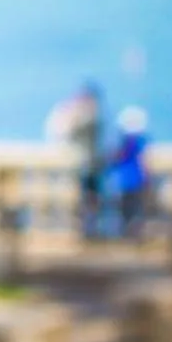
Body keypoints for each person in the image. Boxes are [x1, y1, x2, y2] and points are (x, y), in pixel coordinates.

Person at [49, 82, 105, 239]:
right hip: (87, 165)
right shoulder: (92, 116)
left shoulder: (92, 117)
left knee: (91, 198)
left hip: (91, 165)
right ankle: (87, 228)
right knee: (87, 198)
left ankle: (89, 228)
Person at [109, 107, 151, 240]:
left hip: (125, 180)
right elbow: (145, 160)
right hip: (135, 179)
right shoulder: (140, 140)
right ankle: (132, 233)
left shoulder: (125, 141)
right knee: (134, 209)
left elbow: (117, 157)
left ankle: (128, 233)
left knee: (127, 210)